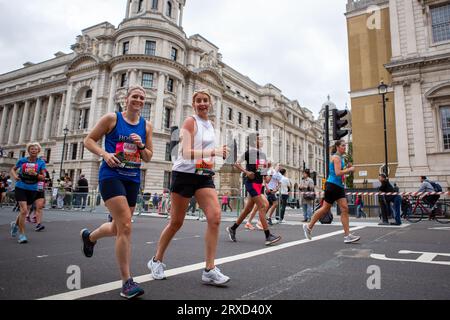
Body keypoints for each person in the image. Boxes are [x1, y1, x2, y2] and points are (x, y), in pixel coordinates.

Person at [147, 89, 230, 286]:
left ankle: (209, 269)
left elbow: (206, 153)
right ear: (194, 104)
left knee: (215, 217)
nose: (202, 103)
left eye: (205, 100)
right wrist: (215, 151)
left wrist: (219, 156)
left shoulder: (210, 124)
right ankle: (156, 260)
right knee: (176, 222)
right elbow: (184, 153)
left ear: (210, 104)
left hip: (203, 176)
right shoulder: (189, 122)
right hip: (184, 174)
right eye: (198, 100)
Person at [80, 85, 153, 299]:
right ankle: (127, 282)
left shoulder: (146, 126)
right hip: (111, 176)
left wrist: (140, 147)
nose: (138, 100)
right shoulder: (112, 118)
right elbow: (88, 140)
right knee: (126, 226)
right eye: (135, 97)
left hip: (132, 179)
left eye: (142, 98)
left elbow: (148, 156)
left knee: (117, 227)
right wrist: (104, 153)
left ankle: (90, 237)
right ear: (126, 99)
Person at [226, 133, 282, 246]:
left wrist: (268, 167)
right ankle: (268, 236)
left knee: (248, 209)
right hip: (250, 184)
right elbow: (236, 163)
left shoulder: (263, 155)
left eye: (261, 139)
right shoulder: (248, 153)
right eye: (259, 139)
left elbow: (265, 179)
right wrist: (246, 172)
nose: (261, 141)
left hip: (258, 185)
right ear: (253, 141)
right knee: (263, 206)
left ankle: (233, 228)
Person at [302, 140, 360, 244]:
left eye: (345, 146)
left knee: (344, 208)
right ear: (338, 147)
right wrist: (350, 169)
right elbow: (338, 173)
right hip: (332, 185)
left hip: (338, 186)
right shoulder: (336, 158)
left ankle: (347, 236)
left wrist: (347, 168)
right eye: (343, 146)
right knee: (325, 209)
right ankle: (309, 226)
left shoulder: (340, 158)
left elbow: (339, 172)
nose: (345, 147)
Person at [9, 142, 47, 244]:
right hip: (21, 187)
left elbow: (43, 177)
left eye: (35, 149)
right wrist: (15, 176)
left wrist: (35, 174)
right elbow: (13, 169)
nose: (33, 151)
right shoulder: (22, 160)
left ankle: (15, 225)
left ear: (38, 151)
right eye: (31, 149)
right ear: (28, 151)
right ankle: (22, 235)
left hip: (33, 189)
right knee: (24, 210)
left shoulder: (41, 163)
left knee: (24, 211)